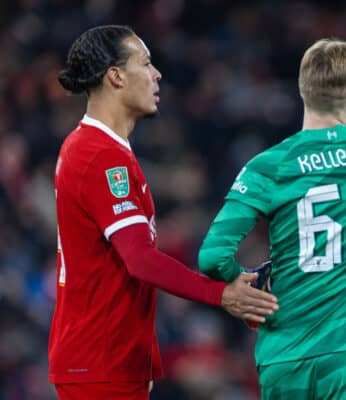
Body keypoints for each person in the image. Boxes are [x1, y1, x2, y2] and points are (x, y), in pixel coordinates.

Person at [49, 25, 278, 400]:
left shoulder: (102, 149)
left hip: (109, 360)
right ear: (116, 77)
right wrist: (221, 295)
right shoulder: (100, 156)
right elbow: (139, 260)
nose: (157, 74)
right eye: (146, 63)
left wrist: (145, 357)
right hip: (99, 363)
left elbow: (117, 268)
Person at [198, 9, 346, 400]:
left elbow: (212, 256)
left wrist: (244, 279)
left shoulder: (268, 166)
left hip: (286, 352)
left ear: (302, 91)